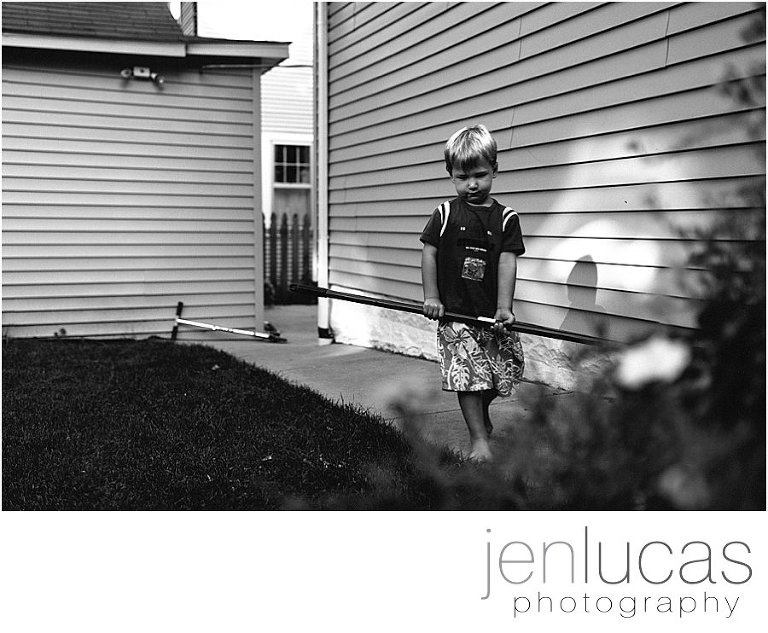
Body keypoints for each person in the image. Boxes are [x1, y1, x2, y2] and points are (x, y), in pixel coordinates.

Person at [420, 124, 525, 462]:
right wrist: (433, 297)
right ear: (450, 174)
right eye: (462, 177)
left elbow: (508, 261)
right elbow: (429, 253)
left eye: (480, 175)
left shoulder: (506, 218)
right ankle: (479, 439)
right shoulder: (446, 213)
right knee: (468, 379)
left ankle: (482, 415)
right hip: (455, 315)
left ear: (495, 167)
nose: (472, 184)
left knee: (507, 370)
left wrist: (504, 307)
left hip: (491, 315)